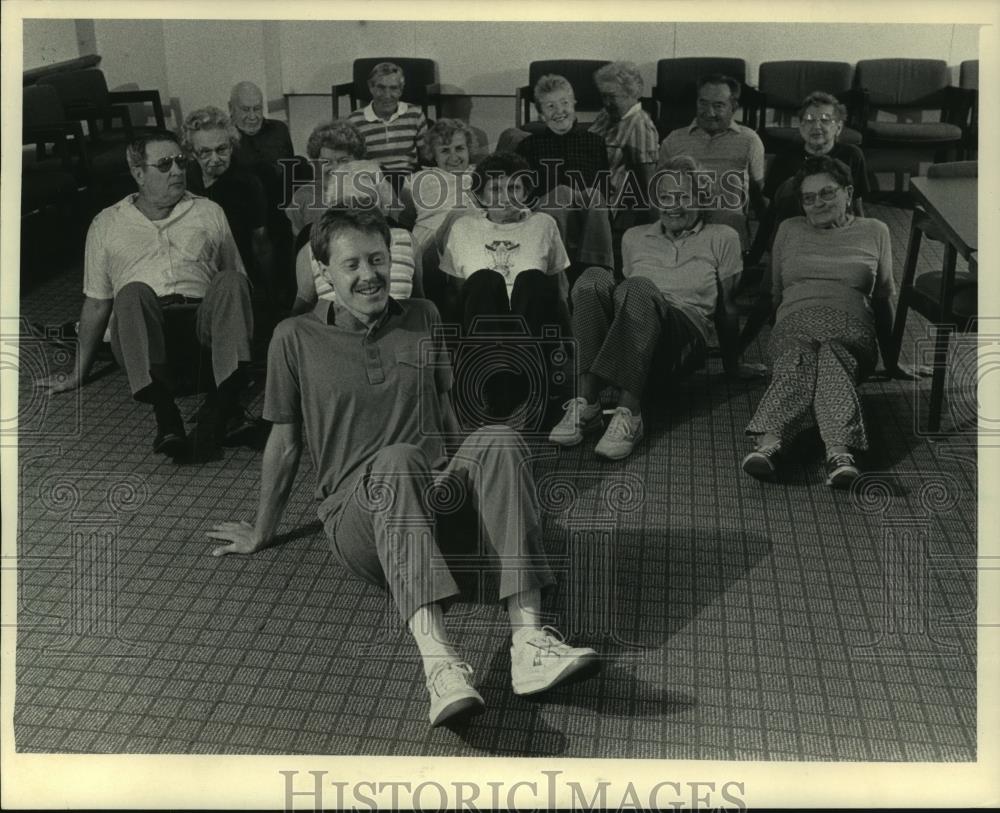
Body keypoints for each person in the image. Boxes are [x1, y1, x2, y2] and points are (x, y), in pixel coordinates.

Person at [207, 207, 599, 727]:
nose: (368, 275)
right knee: (396, 460)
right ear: (324, 273)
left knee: (500, 438)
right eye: (351, 265)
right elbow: (284, 442)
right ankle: (440, 668)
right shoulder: (293, 337)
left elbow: (447, 411)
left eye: (377, 259)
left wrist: (492, 491)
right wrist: (261, 529)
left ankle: (528, 642)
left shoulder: (424, 315)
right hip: (361, 517)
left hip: (435, 501)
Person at [41, 130, 254, 462]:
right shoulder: (107, 223)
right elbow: (97, 302)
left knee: (230, 280)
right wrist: (77, 373)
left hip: (203, 337)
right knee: (132, 292)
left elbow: (235, 282)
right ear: (138, 173)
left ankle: (225, 405)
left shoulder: (208, 212)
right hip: (144, 339)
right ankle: (165, 417)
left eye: (181, 162)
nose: (178, 171)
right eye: (165, 164)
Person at [549, 156, 763, 460]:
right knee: (592, 278)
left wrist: (732, 365)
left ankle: (630, 413)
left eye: (682, 196)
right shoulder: (634, 237)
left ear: (701, 198)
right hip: (636, 330)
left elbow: (727, 307)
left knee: (638, 287)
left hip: (683, 336)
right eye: (665, 197)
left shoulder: (723, 237)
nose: (672, 205)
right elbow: (620, 300)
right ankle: (587, 403)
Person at [741, 156, 926, 488]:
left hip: (850, 328)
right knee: (802, 357)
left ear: (848, 192)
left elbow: (884, 300)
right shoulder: (789, 229)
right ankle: (838, 453)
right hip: (794, 325)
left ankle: (771, 442)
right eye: (808, 198)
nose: (817, 203)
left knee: (833, 353)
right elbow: (772, 295)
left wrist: (893, 359)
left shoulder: (875, 231)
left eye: (826, 193)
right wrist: (736, 349)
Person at [182, 106, 276, 350]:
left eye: (222, 149)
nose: (214, 159)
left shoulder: (248, 183)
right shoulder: (182, 180)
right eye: (204, 152)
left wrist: (268, 292)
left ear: (232, 146)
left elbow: (261, 244)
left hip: (233, 273)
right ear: (192, 153)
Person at [292, 160, 422, 313]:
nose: (359, 213)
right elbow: (301, 310)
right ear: (334, 209)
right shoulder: (312, 249)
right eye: (348, 204)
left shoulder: (407, 240)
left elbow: (419, 300)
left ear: (383, 204)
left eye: (367, 203)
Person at [658, 74, 767, 251]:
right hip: (682, 229)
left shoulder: (749, 140)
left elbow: (758, 193)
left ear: (734, 107)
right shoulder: (674, 140)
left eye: (718, 105)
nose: (709, 113)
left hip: (728, 231)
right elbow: (660, 193)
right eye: (703, 103)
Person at [228, 81, 296, 309]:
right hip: (243, 212)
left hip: (279, 206)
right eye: (245, 109)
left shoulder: (279, 130)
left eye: (257, 109)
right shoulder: (226, 137)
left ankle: (286, 298)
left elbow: (290, 171)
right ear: (231, 108)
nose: (253, 116)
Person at [588, 61, 660, 270]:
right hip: (586, 186)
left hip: (605, 203)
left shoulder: (640, 126)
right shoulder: (607, 115)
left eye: (612, 96)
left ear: (632, 94)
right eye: (603, 96)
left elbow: (647, 185)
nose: (606, 102)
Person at [515, 74, 609, 196]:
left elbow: (604, 189)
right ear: (542, 115)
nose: (559, 110)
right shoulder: (528, 146)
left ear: (574, 104)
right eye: (550, 106)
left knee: (594, 197)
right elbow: (522, 192)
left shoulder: (596, 143)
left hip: (585, 209)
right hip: (546, 210)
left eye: (565, 103)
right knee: (562, 193)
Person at [285, 120, 367, 238]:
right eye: (326, 162)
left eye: (343, 160)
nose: (335, 168)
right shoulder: (303, 196)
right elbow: (300, 244)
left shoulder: (374, 192)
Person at [347, 62, 428, 177]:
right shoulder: (354, 121)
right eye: (381, 87)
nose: (387, 95)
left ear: (400, 90)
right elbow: (352, 162)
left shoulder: (415, 114)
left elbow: (426, 156)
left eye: (393, 88)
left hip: (408, 179)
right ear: (371, 87)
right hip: (372, 181)